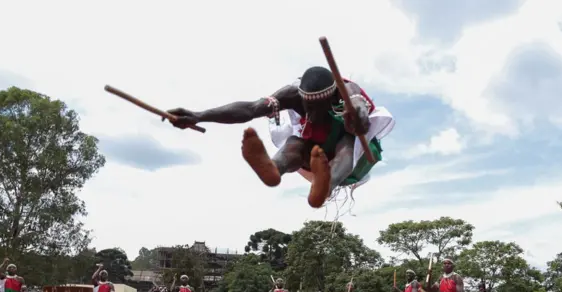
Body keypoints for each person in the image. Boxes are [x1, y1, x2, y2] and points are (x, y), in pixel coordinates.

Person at [166, 66, 395, 208]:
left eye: (319, 107)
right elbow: (251, 108)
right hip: (316, 151)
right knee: (294, 144)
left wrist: (357, 117)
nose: (312, 114)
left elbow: (361, 110)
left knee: (347, 143)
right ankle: (274, 169)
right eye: (308, 107)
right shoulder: (291, 94)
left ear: (331, 96)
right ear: (301, 97)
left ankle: (325, 186)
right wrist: (199, 116)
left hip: (355, 158)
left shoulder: (348, 92)